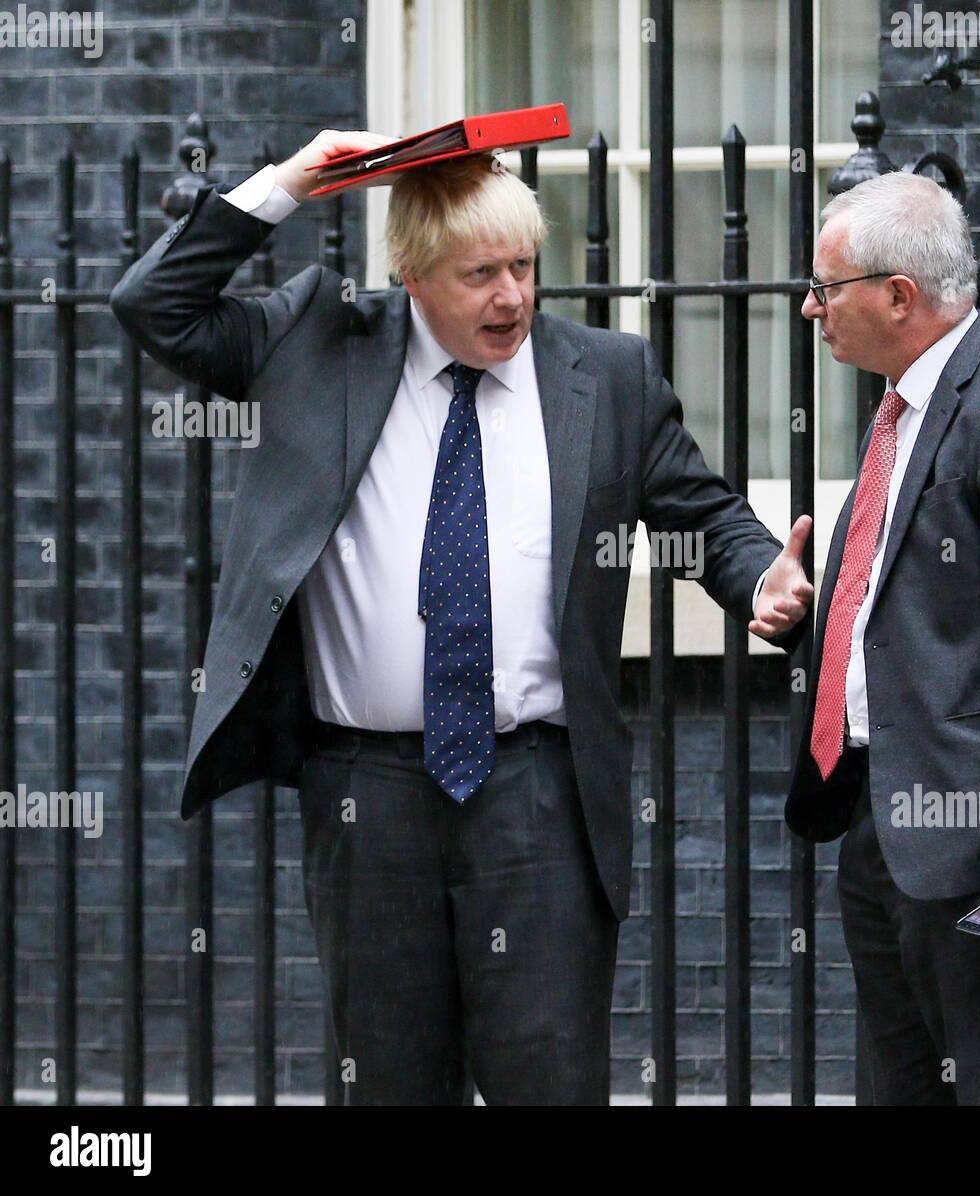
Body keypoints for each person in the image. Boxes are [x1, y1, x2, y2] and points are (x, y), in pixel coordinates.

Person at [109, 129, 813, 1105]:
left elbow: (703, 513)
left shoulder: (603, 377)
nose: (513, 296)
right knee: (391, 1081)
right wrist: (288, 184)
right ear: (409, 272)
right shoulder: (314, 342)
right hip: (365, 791)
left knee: (551, 1078)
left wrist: (759, 581)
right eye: (480, 272)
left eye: (524, 266)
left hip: (535, 787)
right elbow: (152, 307)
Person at [777, 171, 980, 1105]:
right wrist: (800, 611)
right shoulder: (902, 408)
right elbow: (898, 609)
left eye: (825, 287)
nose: (811, 308)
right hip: (880, 822)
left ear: (898, 295)